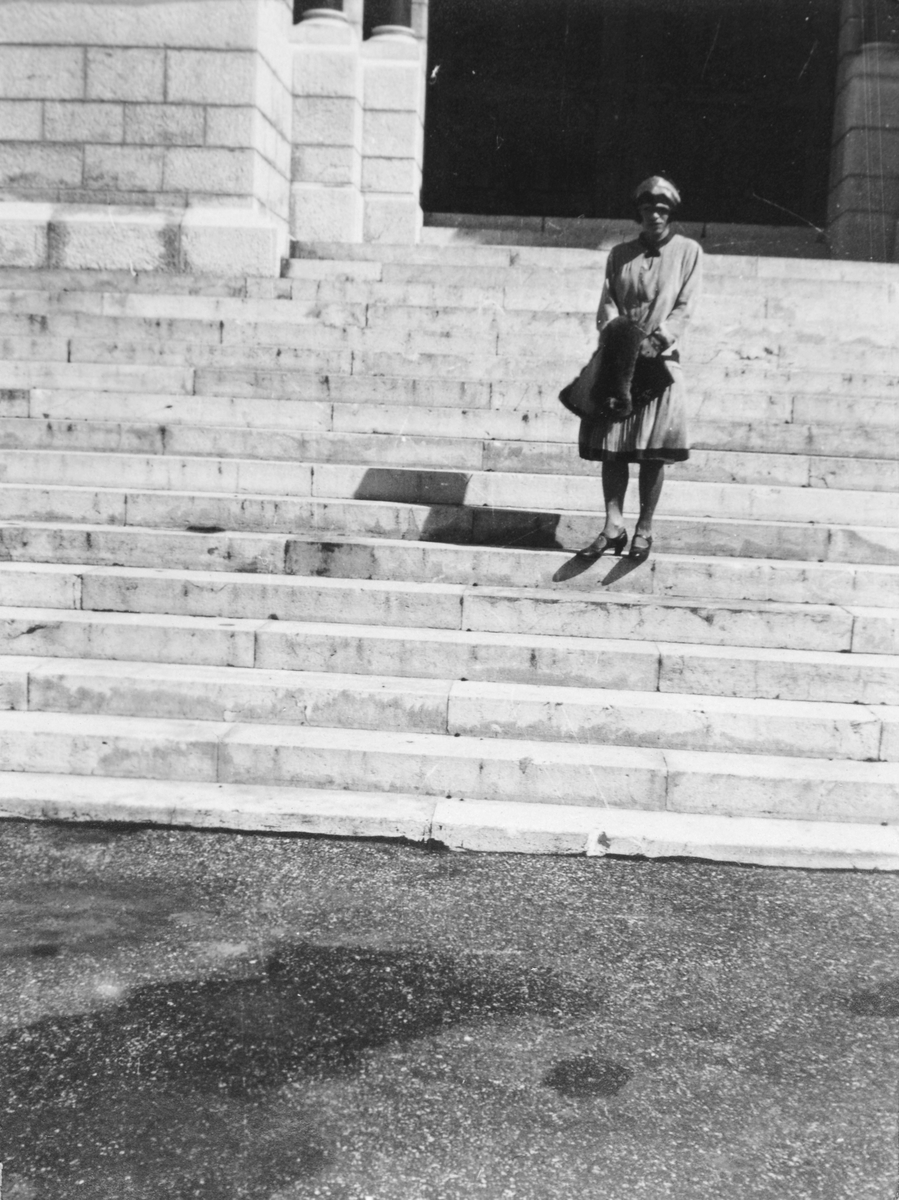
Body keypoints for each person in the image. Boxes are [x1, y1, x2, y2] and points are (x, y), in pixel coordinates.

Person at [577, 175, 703, 562]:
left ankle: (644, 528)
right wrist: (619, 334)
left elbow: (685, 305)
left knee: (653, 453)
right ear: (639, 213)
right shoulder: (619, 254)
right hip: (621, 359)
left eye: (662, 210)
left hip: (659, 365)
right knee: (612, 448)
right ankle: (613, 524)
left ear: (671, 214)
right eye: (648, 209)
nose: (655, 216)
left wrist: (659, 338)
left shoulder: (688, 252)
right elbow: (608, 303)